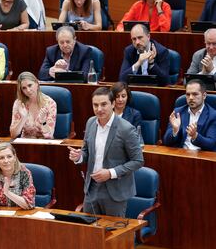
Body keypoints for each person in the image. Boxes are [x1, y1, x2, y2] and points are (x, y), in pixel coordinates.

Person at [68, 87, 144, 217]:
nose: (99, 109)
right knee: (89, 232)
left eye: (104, 104)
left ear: (113, 104)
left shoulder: (126, 129)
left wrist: (110, 173)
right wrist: (79, 157)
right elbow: (86, 151)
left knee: (112, 233)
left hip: (115, 191)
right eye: (95, 105)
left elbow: (138, 161)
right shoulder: (90, 122)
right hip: (92, 188)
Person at [163, 79, 216, 151]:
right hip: (181, 154)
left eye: (195, 94)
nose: (190, 98)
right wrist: (175, 130)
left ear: (204, 96)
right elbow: (166, 142)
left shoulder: (213, 115)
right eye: (188, 94)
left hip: (201, 157)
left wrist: (195, 136)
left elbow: (211, 144)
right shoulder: (178, 112)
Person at [0, 142, 35, 209]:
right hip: (1, 215)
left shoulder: (24, 173)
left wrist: (7, 192)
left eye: (9, 156)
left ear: (15, 157)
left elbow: (28, 205)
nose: (6, 161)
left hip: (21, 214)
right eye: (1, 158)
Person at [10, 72, 57, 139]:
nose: (28, 90)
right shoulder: (19, 104)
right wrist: (23, 118)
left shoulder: (50, 103)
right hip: (25, 144)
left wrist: (43, 122)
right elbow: (13, 135)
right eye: (24, 88)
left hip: (44, 144)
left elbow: (49, 136)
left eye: (30, 85)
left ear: (37, 84)